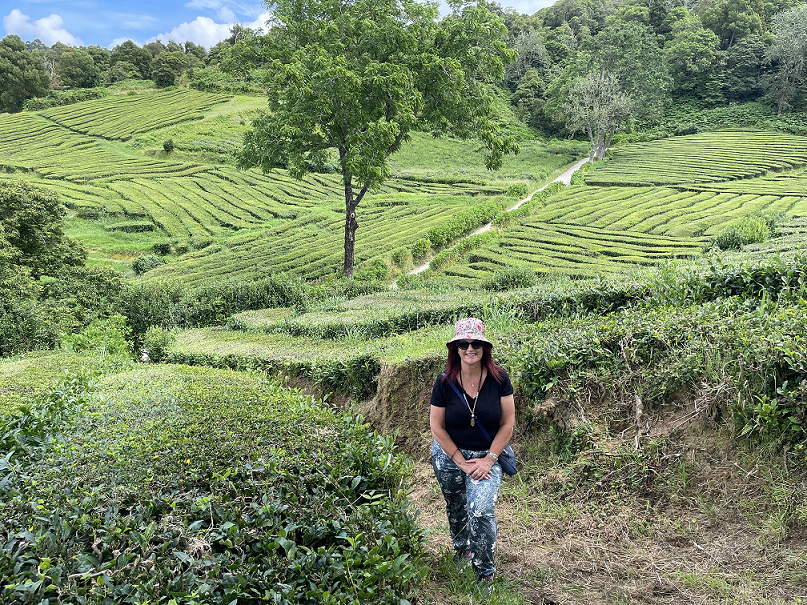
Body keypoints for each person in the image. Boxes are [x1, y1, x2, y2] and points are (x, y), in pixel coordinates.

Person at [429, 317, 515, 594]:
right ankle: (462, 549)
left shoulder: (499, 379)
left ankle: (485, 573)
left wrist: (489, 459)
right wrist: (459, 461)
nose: (470, 348)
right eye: (464, 343)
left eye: (475, 343)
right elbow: (436, 427)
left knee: (481, 511)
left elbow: (507, 423)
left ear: (484, 347)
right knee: (456, 505)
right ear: (455, 348)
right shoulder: (444, 382)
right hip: (449, 456)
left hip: (486, 455)